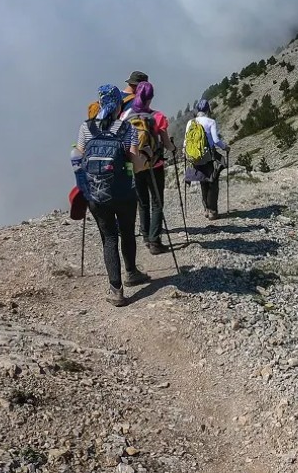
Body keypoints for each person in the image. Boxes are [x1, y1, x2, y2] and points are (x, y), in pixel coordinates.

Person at [74, 84, 151, 307]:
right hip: (124, 192)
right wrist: (145, 157)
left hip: (96, 194)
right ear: (119, 105)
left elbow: (78, 158)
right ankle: (131, 273)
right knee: (127, 233)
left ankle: (116, 290)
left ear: (99, 104)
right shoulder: (127, 129)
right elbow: (136, 166)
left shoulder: (86, 127)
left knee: (109, 238)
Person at [125, 81, 174, 255]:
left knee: (142, 201)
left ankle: (145, 236)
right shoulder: (158, 117)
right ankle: (155, 241)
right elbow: (167, 144)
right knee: (157, 202)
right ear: (151, 97)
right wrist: (173, 148)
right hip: (155, 165)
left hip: (136, 165)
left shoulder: (126, 116)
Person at [185, 99, 229, 219]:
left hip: (195, 157)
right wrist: (225, 147)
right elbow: (216, 140)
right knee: (212, 183)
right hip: (209, 156)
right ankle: (212, 211)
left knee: (203, 182)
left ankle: (205, 209)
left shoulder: (190, 123)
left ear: (197, 110)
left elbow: (186, 142)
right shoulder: (211, 122)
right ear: (208, 109)